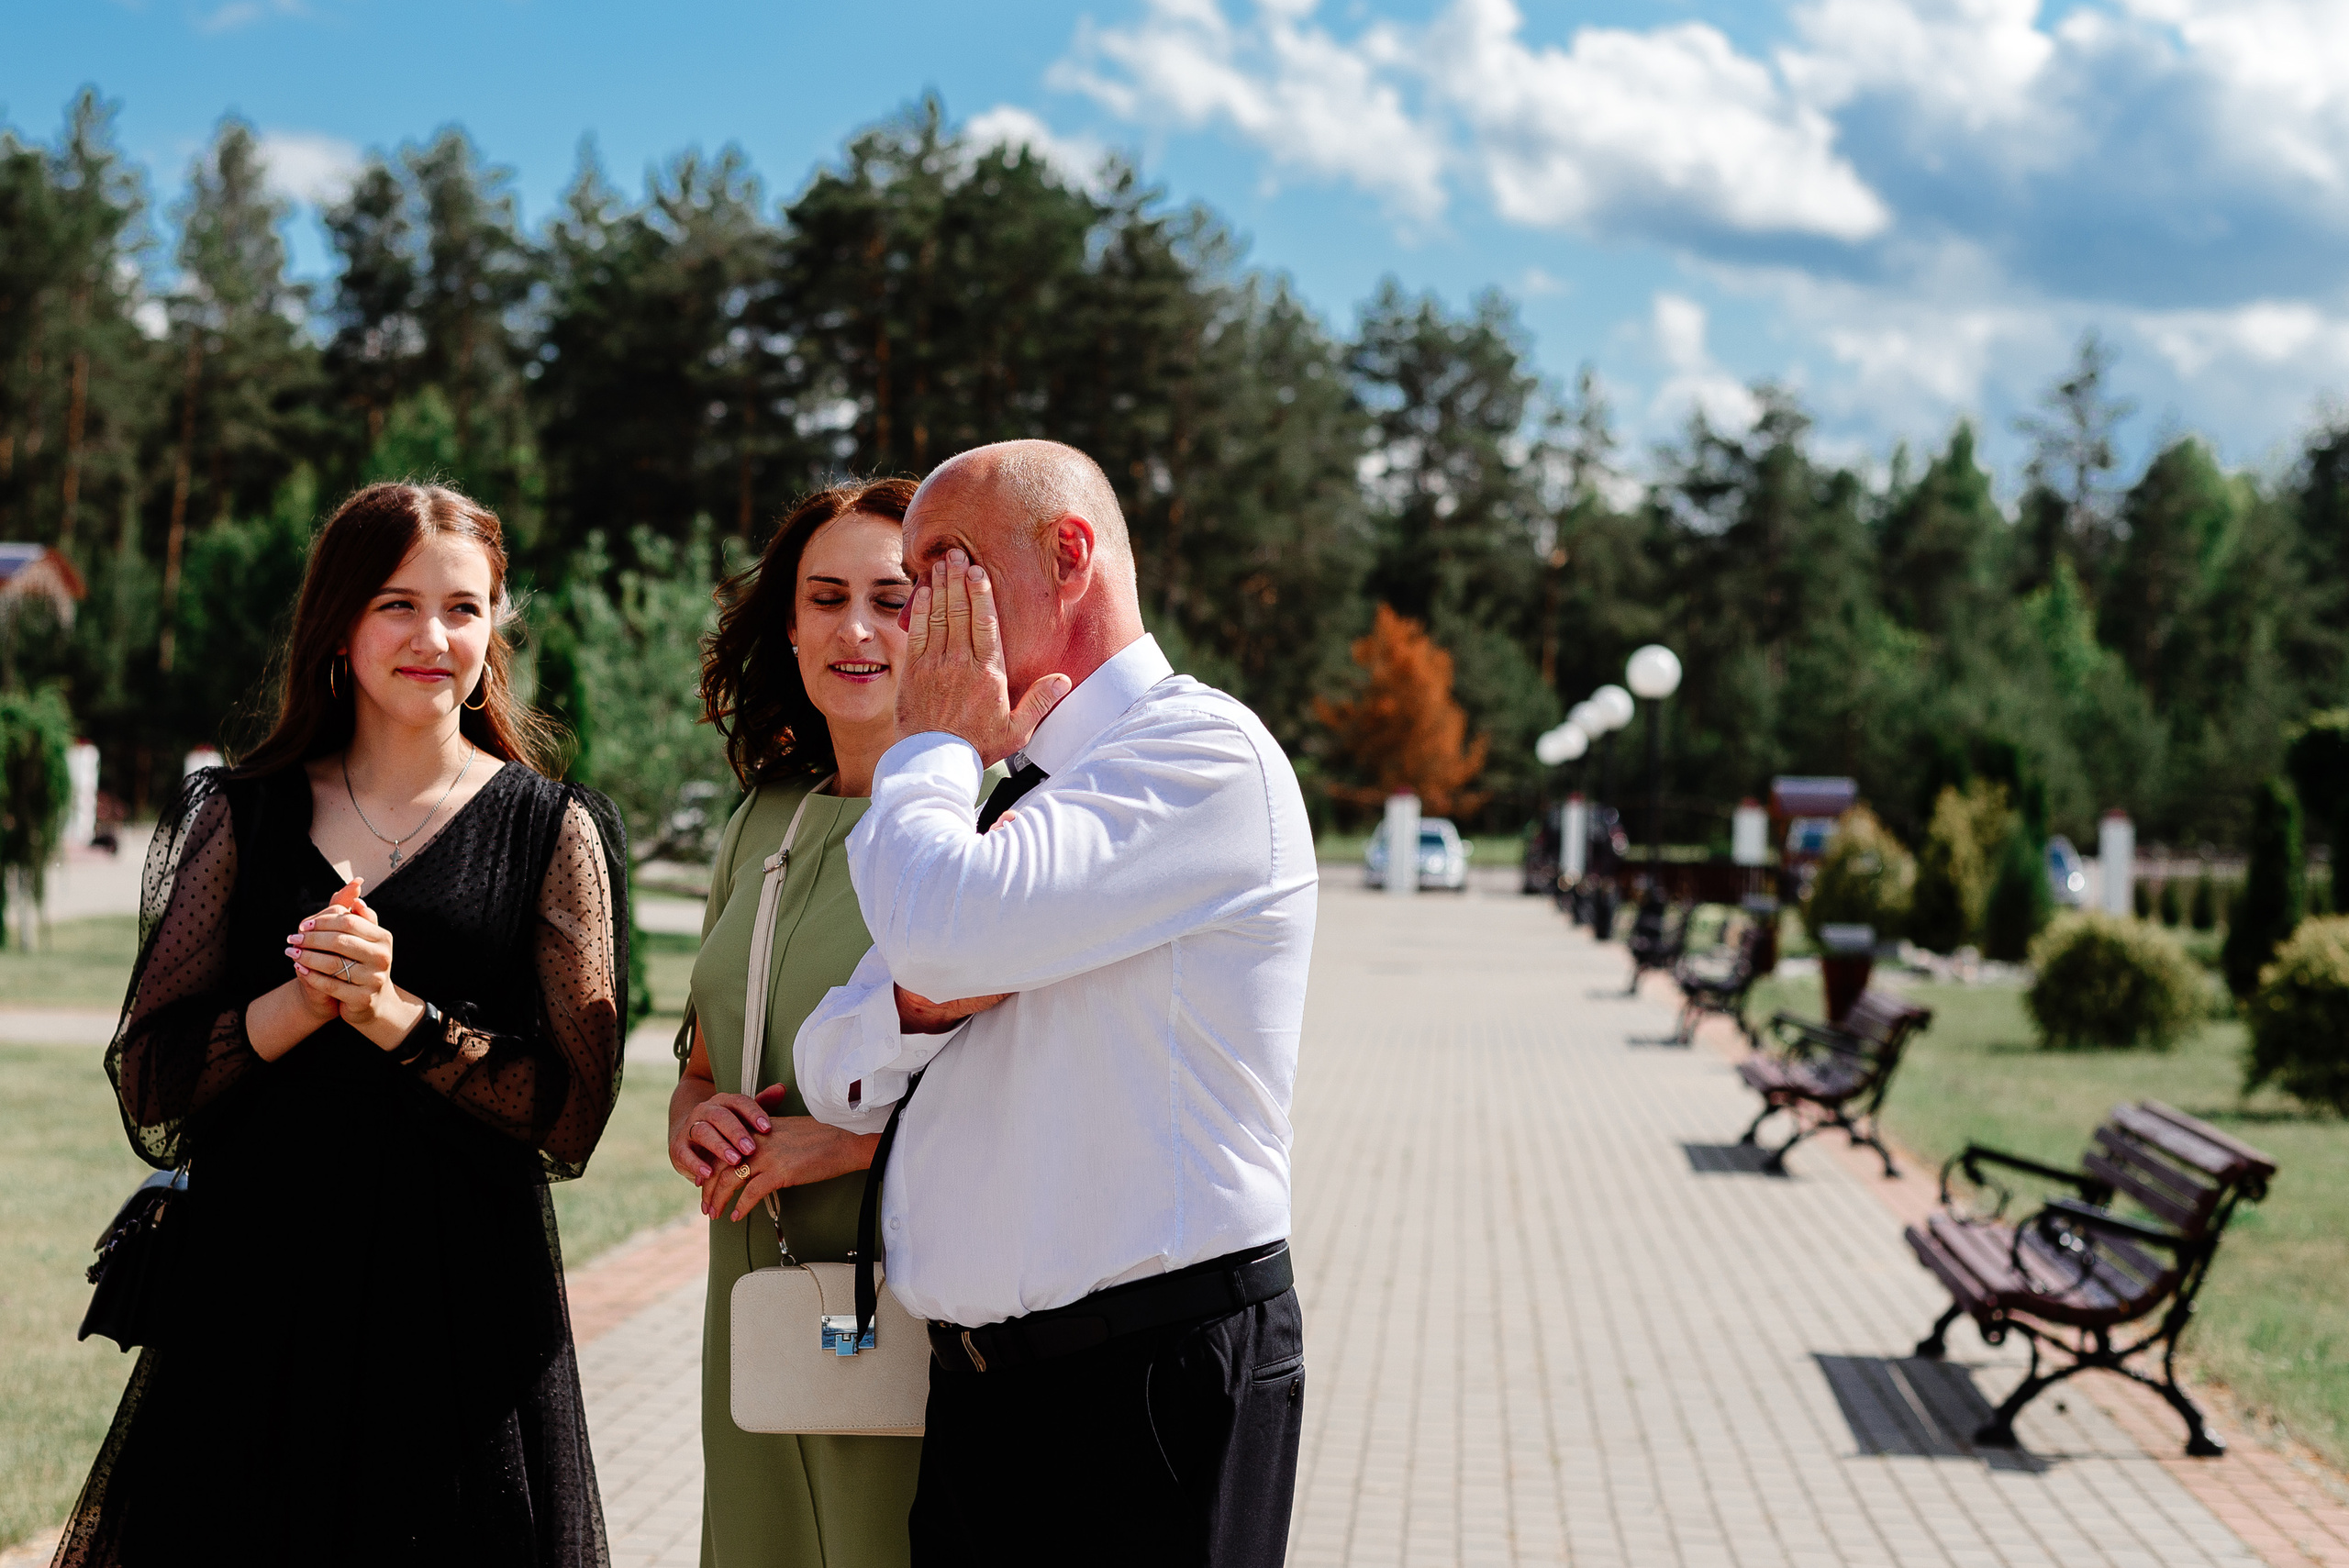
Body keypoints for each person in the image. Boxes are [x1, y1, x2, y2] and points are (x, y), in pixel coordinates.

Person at [58, 482, 628, 1567]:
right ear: (339, 624)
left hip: (462, 1313)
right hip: (255, 1292)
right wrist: (299, 1000)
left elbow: (572, 1114)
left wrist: (391, 1014)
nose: (432, 636)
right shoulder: (238, 811)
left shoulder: (552, 831)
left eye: (464, 608)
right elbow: (151, 1082)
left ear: (494, 629)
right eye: (395, 604)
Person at [794, 439, 1318, 1565]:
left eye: (940, 567)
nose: (909, 613)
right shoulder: (995, 787)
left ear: (1067, 554)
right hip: (986, 1395)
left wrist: (930, 745)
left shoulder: (1196, 754)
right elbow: (833, 1061)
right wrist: (926, 1000)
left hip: (1147, 1384)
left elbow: (938, 929)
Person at [668, 478, 994, 1567]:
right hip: (756, 1302)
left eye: (892, 598)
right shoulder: (765, 816)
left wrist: (850, 1143)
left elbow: (1050, 1085)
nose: (856, 628)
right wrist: (694, 1118)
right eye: (826, 596)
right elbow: (702, 1061)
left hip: (920, 1308)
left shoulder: (999, 822)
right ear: (792, 626)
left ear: (946, 621)